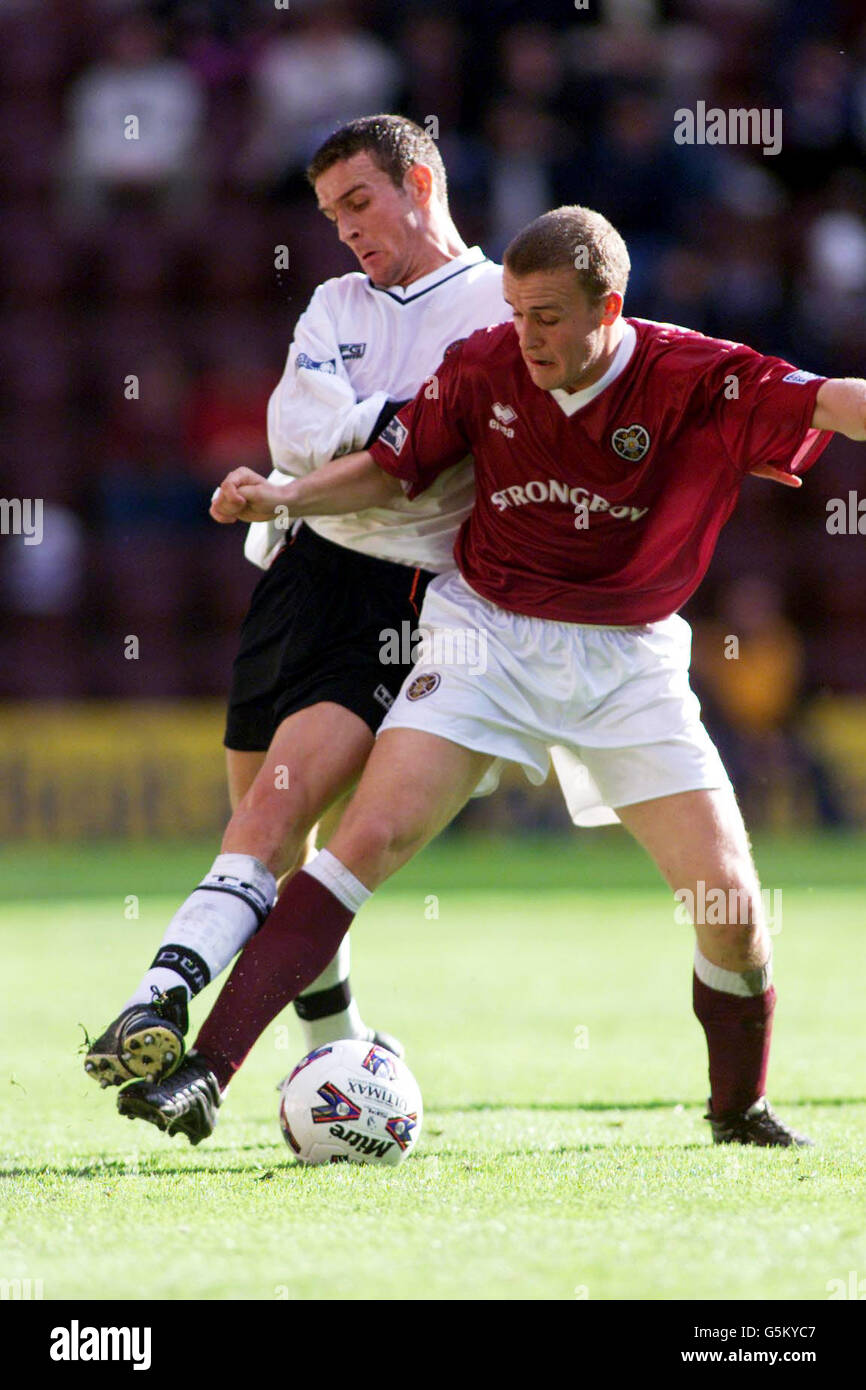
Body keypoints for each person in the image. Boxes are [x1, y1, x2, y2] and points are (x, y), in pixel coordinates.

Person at [118, 203, 866, 1148]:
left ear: (612, 306)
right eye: (517, 311)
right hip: (488, 636)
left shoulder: (696, 374)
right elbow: (392, 469)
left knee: (730, 911)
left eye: (549, 316)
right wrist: (288, 493)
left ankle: (739, 1111)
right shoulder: (483, 365)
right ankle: (204, 1075)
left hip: (628, 659)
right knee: (365, 841)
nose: (528, 335)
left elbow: (834, 400)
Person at [83, 114, 514, 1091]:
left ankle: (158, 1000)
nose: (347, 230)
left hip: (397, 594)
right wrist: (395, 427)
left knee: (265, 827)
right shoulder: (332, 302)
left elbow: (424, 470)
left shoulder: (498, 304)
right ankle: (341, 1050)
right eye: (330, 214)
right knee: (269, 845)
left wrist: (369, 439)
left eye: (360, 201)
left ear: (420, 179)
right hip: (296, 570)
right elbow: (292, 430)